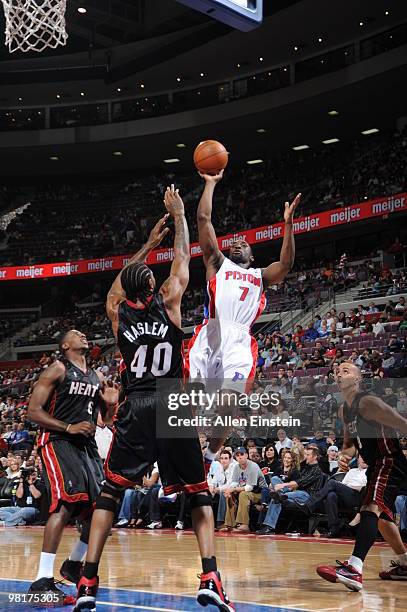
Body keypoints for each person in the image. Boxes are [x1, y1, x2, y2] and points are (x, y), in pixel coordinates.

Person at [74, 186, 235, 612]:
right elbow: (183, 258)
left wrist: (145, 246)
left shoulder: (117, 310)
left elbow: (118, 283)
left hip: (138, 401)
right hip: (172, 399)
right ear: (153, 283)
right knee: (199, 492)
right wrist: (180, 216)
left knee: (111, 493)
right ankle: (210, 576)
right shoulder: (169, 300)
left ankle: (88, 579)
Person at [186, 169, 300, 455]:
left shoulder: (261, 275)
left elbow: (285, 265)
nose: (237, 243)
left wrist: (288, 225)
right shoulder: (217, 263)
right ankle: (183, 450)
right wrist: (210, 184)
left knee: (230, 398)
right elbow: (203, 219)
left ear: (252, 256)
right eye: (233, 243)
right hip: (211, 332)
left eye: (243, 243)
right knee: (191, 398)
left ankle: (211, 454)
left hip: (239, 340)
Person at [25, 329, 118, 604]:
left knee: (102, 511)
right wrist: (69, 427)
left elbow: (105, 420)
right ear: (65, 345)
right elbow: (32, 411)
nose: (83, 335)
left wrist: (111, 405)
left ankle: (73, 565)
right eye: (77, 334)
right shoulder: (57, 369)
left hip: (85, 445)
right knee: (64, 505)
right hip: (57, 441)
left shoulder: (96, 376)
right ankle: (41, 581)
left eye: (84, 333)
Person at [316, 362, 407, 590]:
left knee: (370, 509)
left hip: (390, 461)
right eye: (337, 372)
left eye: (346, 371)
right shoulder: (344, 410)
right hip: (376, 465)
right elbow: (349, 445)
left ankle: (354, 569)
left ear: (357, 378)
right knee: (383, 520)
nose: (339, 374)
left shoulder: (368, 402)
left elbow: (403, 424)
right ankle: (406, 563)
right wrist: (344, 456)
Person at [256, 447, 324, 535]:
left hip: (307, 497)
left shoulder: (316, 470)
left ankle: (281, 494)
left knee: (295, 493)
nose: (306, 457)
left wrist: (283, 485)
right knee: (275, 482)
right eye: (305, 454)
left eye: (308, 455)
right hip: (292, 494)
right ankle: (269, 528)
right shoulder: (305, 467)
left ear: (315, 457)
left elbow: (299, 482)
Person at [294, 455, 368, 537]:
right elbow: (342, 484)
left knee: (332, 483)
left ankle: (309, 505)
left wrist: (348, 487)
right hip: (345, 495)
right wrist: (343, 486)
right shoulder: (352, 471)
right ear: (358, 459)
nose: (364, 459)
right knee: (331, 495)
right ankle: (333, 529)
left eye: (366, 457)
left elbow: (365, 488)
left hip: (359, 497)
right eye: (362, 457)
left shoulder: (370, 472)